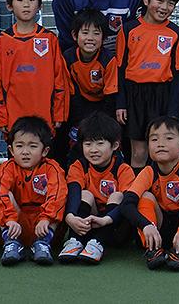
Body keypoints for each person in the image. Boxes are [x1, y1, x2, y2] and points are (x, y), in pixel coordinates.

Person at [120, 116, 179, 271]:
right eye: (154, 139)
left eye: (169, 138)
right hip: (158, 232)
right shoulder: (148, 171)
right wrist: (146, 225)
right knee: (145, 197)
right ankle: (152, 249)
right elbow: (126, 204)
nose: (160, 144)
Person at [115, 0, 179, 171]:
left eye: (171, 3)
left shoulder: (175, 32)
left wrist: (175, 109)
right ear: (146, 0)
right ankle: (136, 190)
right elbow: (120, 68)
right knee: (139, 152)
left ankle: (161, 189)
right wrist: (121, 102)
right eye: (160, 0)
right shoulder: (128, 30)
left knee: (162, 150)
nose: (164, 7)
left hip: (162, 94)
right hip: (135, 95)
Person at [0, 0, 70, 136]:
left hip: (44, 114)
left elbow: (60, 79)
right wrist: (1, 116)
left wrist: (59, 113)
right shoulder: (3, 40)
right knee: (18, 148)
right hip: (14, 115)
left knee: (41, 149)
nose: (26, 4)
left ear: (40, 5)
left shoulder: (49, 39)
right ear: (9, 5)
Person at [0, 116, 67, 266]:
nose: (25, 152)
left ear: (45, 151)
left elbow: (58, 195)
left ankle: (43, 244)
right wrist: (10, 220)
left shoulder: (53, 168)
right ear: (11, 150)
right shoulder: (7, 168)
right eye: (19, 146)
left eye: (32, 146)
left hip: (45, 227)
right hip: (15, 226)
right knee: (1, 194)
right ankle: (11, 243)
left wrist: (46, 218)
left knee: (61, 196)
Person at [58, 112, 134, 264]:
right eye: (88, 144)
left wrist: (105, 220)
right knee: (84, 194)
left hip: (114, 227)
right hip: (86, 226)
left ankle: (97, 243)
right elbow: (74, 192)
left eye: (100, 143)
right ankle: (75, 241)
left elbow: (128, 203)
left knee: (118, 196)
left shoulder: (123, 169)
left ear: (115, 145)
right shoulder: (79, 166)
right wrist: (70, 216)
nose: (93, 149)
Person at [59, 9, 118, 160]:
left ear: (104, 38)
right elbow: (71, 93)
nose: (90, 38)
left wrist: (102, 122)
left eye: (96, 33)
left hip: (103, 106)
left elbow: (111, 95)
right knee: (75, 143)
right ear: (75, 35)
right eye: (85, 33)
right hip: (79, 105)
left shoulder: (109, 59)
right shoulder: (68, 58)